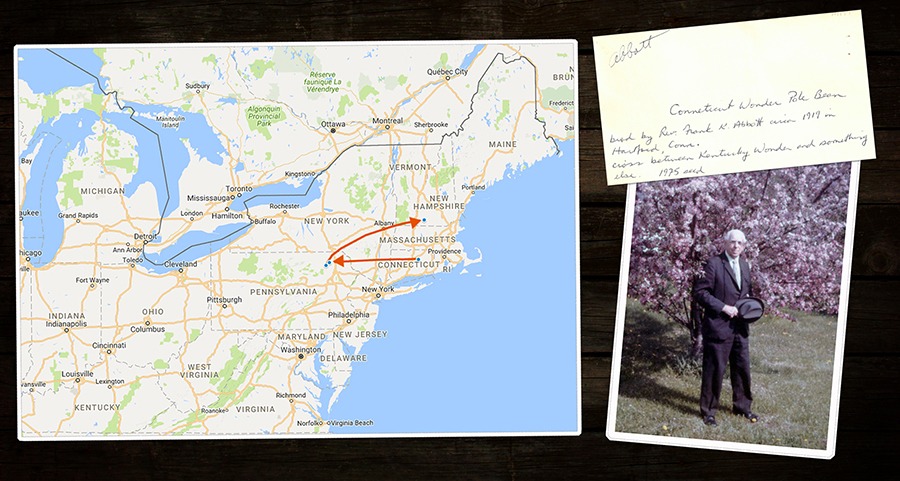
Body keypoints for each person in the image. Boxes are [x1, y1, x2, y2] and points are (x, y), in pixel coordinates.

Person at [693, 229, 758, 426]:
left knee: (742, 369)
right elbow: (700, 292)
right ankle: (709, 412)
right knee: (715, 370)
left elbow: (747, 292)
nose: (736, 246)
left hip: (740, 328)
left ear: (744, 245)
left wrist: (749, 306)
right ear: (725, 243)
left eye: (740, 243)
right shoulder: (713, 264)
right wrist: (723, 307)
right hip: (718, 326)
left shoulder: (745, 266)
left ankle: (742, 407)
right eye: (732, 242)